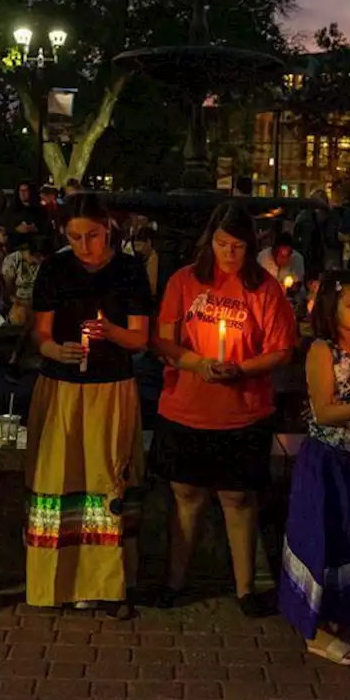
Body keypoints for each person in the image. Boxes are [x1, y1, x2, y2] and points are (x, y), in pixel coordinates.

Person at [151, 202, 298, 616]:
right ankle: (174, 581)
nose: (229, 254)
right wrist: (197, 363)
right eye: (221, 244)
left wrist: (241, 369)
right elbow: (163, 341)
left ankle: (245, 588)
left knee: (239, 498)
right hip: (186, 407)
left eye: (237, 246)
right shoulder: (184, 282)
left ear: (251, 247)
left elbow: (282, 349)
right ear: (209, 242)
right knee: (186, 495)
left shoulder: (264, 289)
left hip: (242, 411)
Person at [25, 194, 152, 617]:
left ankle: (109, 583)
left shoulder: (130, 271)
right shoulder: (54, 269)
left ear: (108, 229)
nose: (84, 246)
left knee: (106, 477)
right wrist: (52, 348)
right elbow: (39, 332)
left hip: (110, 388)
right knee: (60, 477)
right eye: (75, 237)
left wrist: (111, 331)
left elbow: (140, 339)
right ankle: (56, 581)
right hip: (61, 388)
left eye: (92, 236)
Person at [279, 271, 350, 666]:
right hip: (327, 461)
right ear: (333, 307)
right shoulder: (322, 351)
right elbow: (324, 412)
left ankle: (346, 613)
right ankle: (316, 629)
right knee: (322, 539)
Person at [131, 227, 161, 302]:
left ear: (149, 242)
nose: (136, 250)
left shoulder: (154, 259)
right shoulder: (142, 260)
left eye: (139, 246)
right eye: (134, 246)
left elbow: (151, 289)